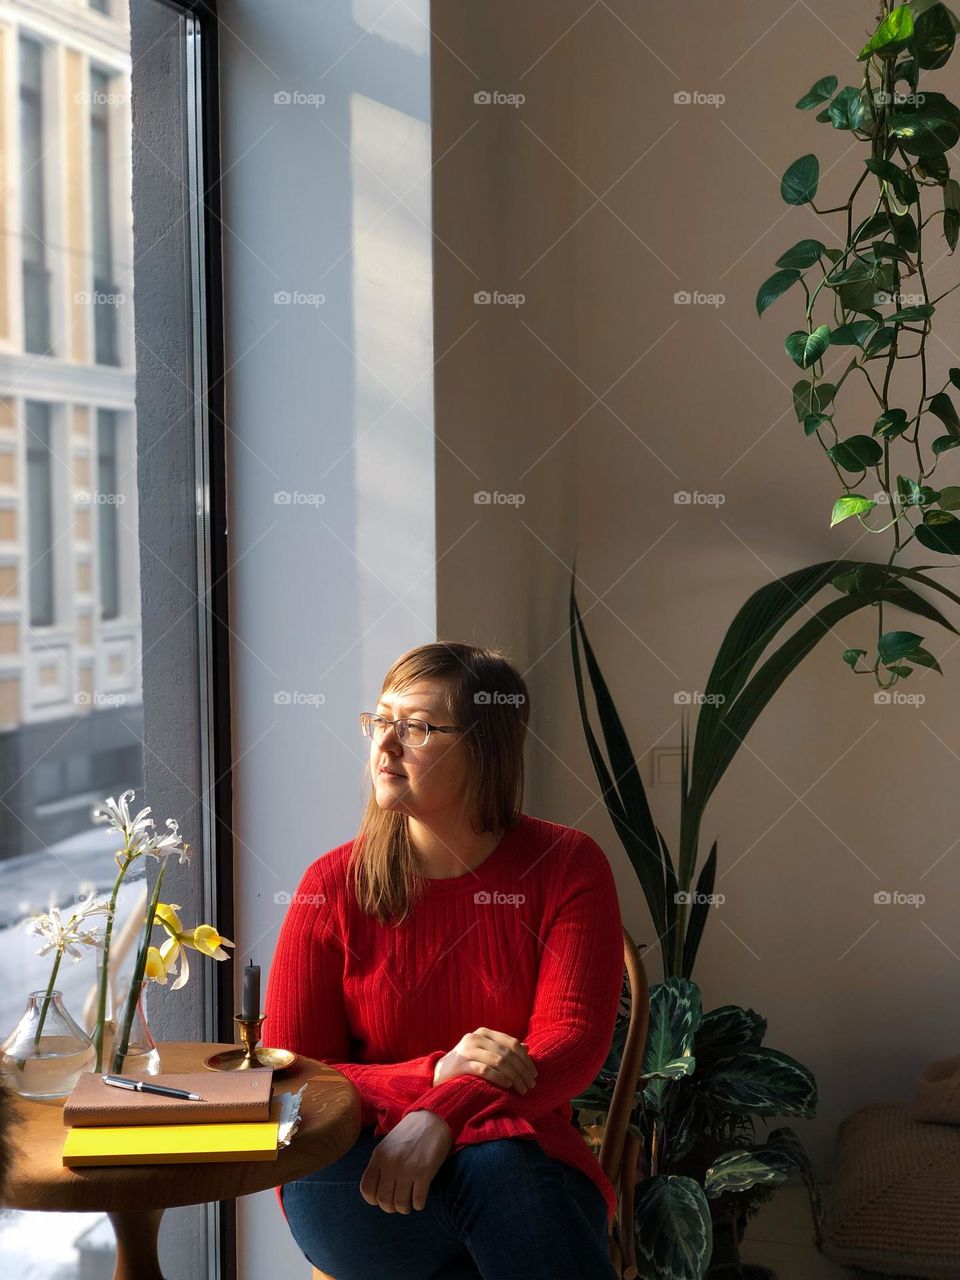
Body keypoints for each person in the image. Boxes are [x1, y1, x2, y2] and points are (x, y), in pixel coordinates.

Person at [264, 641, 624, 1280]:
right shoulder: (330, 886)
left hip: (522, 1159)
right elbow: (296, 1075)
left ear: (484, 748)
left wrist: (443, 1111)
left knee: (498, 1175)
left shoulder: (567, 866)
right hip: (356, 1174)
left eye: (418, 728)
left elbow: (570, 1045)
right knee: (503, 1184)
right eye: (380, 721)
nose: (385, 744)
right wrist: (430, 1077)